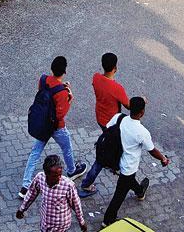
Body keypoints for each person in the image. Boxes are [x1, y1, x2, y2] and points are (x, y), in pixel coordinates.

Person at [19, 57, 87, 199]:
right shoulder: (62, 92)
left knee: (35, 153)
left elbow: (45, 94)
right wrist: (69, 98)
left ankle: (25, 185)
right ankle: (72, 170)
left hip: (42, 124)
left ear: (52, 68)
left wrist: (62, 87)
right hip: (56, 127)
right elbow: (60, 114)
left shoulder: (43, 79)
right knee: (66, 147)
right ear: (64, 71)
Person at [102, 97, 169, 225]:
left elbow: (107, 129)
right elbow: (152, 150)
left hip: (114, 160)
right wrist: (163, 159)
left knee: (128, 182)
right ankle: (108, 220)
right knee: (119, 194)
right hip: (128, 166)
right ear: (142, 112)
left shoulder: (118, 117)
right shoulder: (142, 132)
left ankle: (139, 191)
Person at [79, 52, 131, 197]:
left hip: (100, 118)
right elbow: (128, 106)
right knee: (102, 157)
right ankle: (87, 184)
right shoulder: (117, 88)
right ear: (115, 67)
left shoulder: (96, 78)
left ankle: (111, 160)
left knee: (109, 143)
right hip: (113, 123)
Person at [17, 154, 86, 232]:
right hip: (45, 223)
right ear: (46, 174)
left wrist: (81, 221)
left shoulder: (68, 185)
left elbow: (76, 205)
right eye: (55, 176)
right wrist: (22, 209)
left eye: (60, 175)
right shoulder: (40, 178)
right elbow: (31, 194)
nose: (59, 178)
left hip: (61, 225)